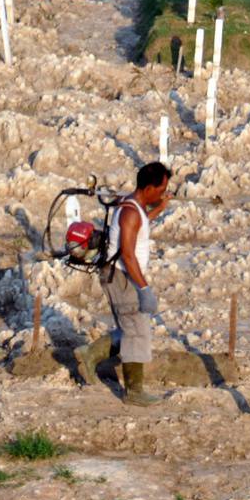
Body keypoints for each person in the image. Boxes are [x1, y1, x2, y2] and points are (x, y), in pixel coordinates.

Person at [101, 161, 171, 406]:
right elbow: (127, 255)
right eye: (161, 189)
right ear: (149, 187)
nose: (162, 192)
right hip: (121, 276)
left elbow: (141, 224)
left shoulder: (136, 206)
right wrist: (144, 288)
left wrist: (160, 208)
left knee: (128, 326)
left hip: (126, 275)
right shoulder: (130, 211)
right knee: (136, 331)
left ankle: (88, 356)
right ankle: (134, 392)